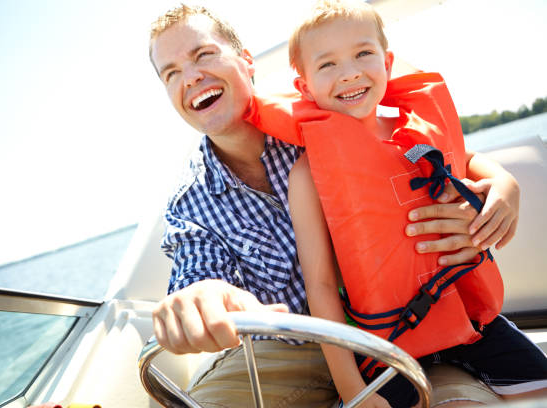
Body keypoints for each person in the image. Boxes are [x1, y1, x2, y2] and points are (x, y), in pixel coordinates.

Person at [148, 4, 524, 407]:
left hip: (404, 328)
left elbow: (436, 156)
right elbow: (197, 274)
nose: (191, 78)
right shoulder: (190, 202)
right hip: (288, 350)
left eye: (203, 55)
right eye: (171, 73)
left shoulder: (333, 110)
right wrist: (201, 294)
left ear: (246, 61)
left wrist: (501, 184)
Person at [243, 1, 547, 407]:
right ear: (305, 87)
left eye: (363, 53)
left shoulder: (414, 129)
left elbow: (466, 160)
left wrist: (505, 184)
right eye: (327, 64)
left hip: (469, 322)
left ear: (386, 63)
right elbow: (318, 285)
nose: (350, 72)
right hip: (386, 345)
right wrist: (353, 390)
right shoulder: (307, 173)